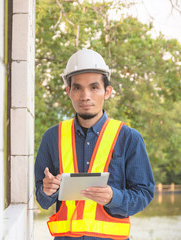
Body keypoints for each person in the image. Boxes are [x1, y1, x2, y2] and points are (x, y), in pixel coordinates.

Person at [34, 48, 155, 240]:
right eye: (77, 87)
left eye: (94, 87)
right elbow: (41, 197)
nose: (85, 96)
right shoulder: (52, 137)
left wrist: (114, 197)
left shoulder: (129, 138)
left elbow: (144, 193)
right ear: (68, 91)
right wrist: (46, 191)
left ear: (107, 92)